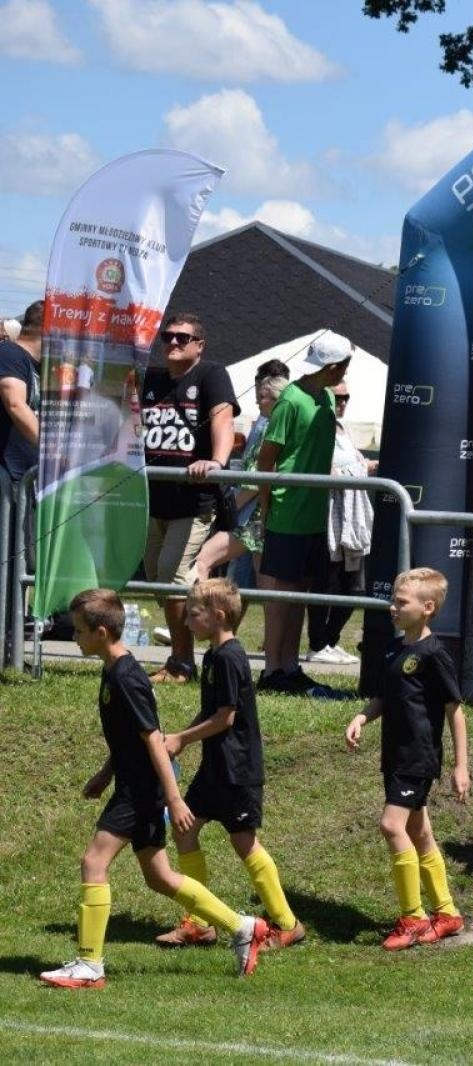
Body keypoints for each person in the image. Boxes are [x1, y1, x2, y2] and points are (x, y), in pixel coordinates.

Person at [38, 588, 270, 989]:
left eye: (79, 631)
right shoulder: (113, 670)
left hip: (141, 791)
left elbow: (153, 739)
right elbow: (128, 738)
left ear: (102, 633)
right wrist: (105, 773)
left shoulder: (127, 677)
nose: (74, 637)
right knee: (160, 877)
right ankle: (243, 927)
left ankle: (90, 965)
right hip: (133, 785)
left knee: (94, 862)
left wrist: (174, 797)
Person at [154, 578, 304, 950]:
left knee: (244, 843)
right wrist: (179, 739)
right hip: (215, 768)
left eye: (193, 615)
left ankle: (287, 924)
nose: (187, 622)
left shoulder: (229, 657)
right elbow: (211, 711)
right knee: (185, 831)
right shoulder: (214, 656)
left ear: (218, 615)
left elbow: (226, 718)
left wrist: (183, 739)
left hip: (237, 770)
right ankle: (200, 922)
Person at [344, 567, 469, 950]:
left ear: (427, 607)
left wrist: (461, 766)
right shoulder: (396, 649)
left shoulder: (435, 654)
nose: (393, 607)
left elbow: (455, 710)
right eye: (393, 600)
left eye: (401, 602)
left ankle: (413, 917)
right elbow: (385, 696)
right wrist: (362, 717)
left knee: (390, 826)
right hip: (394, 756)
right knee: (419, 833)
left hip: (418, 758)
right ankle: (447, 914)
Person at [140, 312, 239, 684]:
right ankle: (210, 642)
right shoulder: (150, 378)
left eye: (183, 338)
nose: (174, 343)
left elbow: (223, 420)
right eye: (168, 337)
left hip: (193, 503)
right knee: (156, 579)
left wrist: (216, 460)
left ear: (199, 345)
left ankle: (181, 662)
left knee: (173, 577)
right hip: (153, 500)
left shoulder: (211, 374)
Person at [256, 332, 351, 693]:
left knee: (301, 591)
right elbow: (266, 461)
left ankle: (290, 666)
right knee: (282, 594)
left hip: (314, 514)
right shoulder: (290, 401)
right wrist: (267, 510)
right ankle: (271, 670)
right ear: (331, 367)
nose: (344, 375)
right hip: (288, 511)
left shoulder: (326, 398)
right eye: (343, 367)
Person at [189, 367, 290, 595]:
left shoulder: (270, 431)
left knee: (201, 561)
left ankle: (202, 618)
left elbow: (253, 483)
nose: (258, 402)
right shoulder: (274, 428)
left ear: (276, 400)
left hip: (251, 519)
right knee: (268, 591)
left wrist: (230, 511)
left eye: (263, 397)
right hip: (263, 518)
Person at [307, 384, 375, 665]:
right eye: (338, 396)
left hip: (353, 516)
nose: (343, 402)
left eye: (347, 396)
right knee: (327, 583)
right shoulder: (316, 427)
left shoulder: (343, 430)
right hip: (328, 516)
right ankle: (317, 643)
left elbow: (354, 464)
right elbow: (323, 467)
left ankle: (331, 640)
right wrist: (356, 470)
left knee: (351, 587)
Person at [0, 301, 40, 650]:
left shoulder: (37, 365)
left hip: (23, 479)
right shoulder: (10, 354)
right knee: (8, 561)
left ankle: (10, 643)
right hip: (7, 476)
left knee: (19, 562)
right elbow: (15, 403)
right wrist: (55, 452)